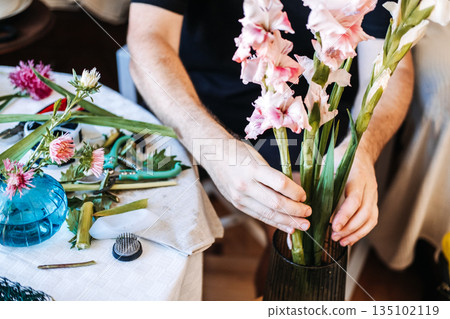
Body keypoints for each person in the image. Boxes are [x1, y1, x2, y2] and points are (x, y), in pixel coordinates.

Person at [127, 0, 414, 248]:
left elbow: (395, 69)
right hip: (194, 97)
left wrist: (359, 149)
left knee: (309, 240)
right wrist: (212, 147)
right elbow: (147, 37)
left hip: (313, 110)